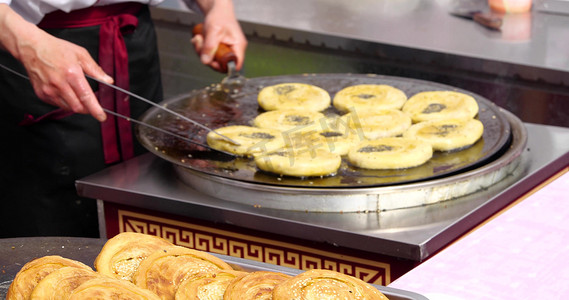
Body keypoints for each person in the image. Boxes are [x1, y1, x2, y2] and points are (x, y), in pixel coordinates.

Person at [0, 0, 247, 238]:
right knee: (50, 227)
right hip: (33, 49)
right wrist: (26, 43)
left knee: (146, 211)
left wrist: (219, 8)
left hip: (135, 47)